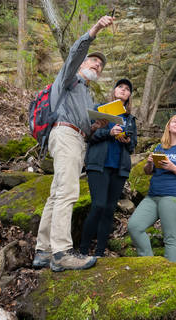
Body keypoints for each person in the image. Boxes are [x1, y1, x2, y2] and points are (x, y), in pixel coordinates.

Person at [32, 15, 115, 272]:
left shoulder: (87, 95)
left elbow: (86, 129)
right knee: (68, 192)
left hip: (76, 138)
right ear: (82, 64)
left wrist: (96, 127)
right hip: (64, 136)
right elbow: (73, 54)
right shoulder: (69, 79)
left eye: (101, 65)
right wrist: (95, 30)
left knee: (56, 194)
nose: (97, 65)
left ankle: (43, 251)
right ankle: (61, 253)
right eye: (94, 60)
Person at [127, 115, 176, 263]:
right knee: (134, 226)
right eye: (174, 121)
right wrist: (149, 163)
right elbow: (148, 171)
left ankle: (171, 274)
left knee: (170, 236)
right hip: (153, 196)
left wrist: (172, 167)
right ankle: (149, 263)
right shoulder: (160, 147)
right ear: (168, 126)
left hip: (173, 196)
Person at [79, 78, 137, 257]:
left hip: (119, 168)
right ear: (114, 91)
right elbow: (88, 135)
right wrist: (109, 133)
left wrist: (127, 140)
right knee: (98, 205)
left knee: (110, 209)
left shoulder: (129, 119)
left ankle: (99, 251)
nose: (123, 90)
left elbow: (133, 145)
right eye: (120, 87)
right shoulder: (99, 110)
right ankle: (82, 250)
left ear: (129, 96)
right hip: (99, 164)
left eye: (127, 89)